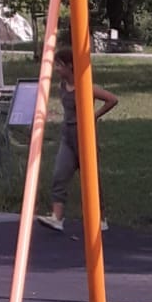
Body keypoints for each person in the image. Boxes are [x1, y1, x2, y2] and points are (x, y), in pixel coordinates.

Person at [36, 47, 117, 233]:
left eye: (59, 65)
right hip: (68, 136)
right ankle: (57, 217)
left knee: (91, 180)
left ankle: (100, 218)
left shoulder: (85, 86)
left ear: (70, 66)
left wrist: (94, 116)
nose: (56, 69)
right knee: (59, 175)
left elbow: (112, 99)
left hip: (84, 138)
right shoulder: (62, 86)